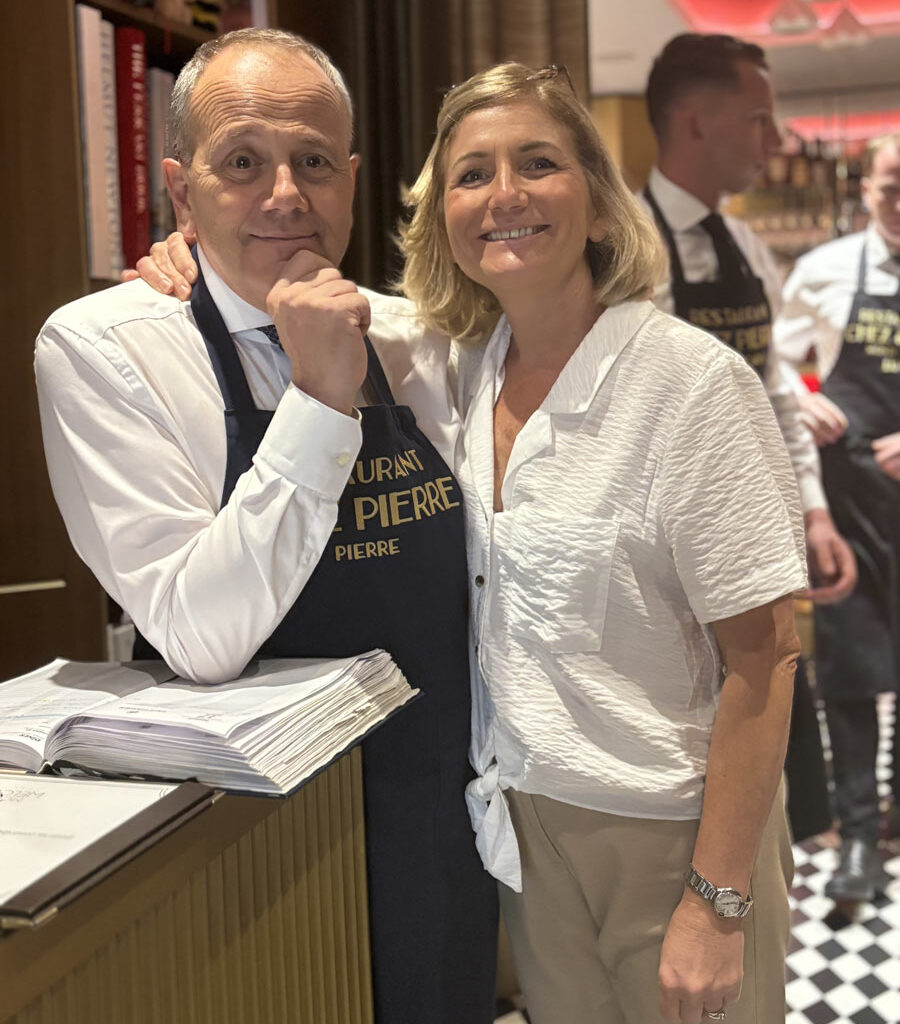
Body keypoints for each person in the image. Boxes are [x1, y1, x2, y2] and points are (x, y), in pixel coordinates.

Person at [34, 28, 497, 1024]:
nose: (286, 194)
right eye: (240, 162)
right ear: (179, 188)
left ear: (354, 179)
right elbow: (202, 636)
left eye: (315, 162)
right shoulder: (107, 352)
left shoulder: (418, 336)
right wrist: (321, 401)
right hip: (252, 849)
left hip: (440, 813)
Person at [396, 62, 805, 1024]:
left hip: (676, 836)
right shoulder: (461, 371)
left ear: (595, 202)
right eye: (471, 174)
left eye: (537, 162)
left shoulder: (687, 385)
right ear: (441, 217)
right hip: (526, 832)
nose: (504, 196)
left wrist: (717, 902)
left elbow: (767, 655)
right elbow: (305, 311)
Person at [642, 32, 857, 842]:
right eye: (760, 120)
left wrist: (813, 510)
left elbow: (773, 394)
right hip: (672, 562)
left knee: (768, 735)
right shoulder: (626, 245)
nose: (774, 142)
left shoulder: (751, 248)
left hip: (756, 541)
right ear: (697, 122)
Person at [772, 133, 900, 901]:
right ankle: (856, 839)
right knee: (849, 679)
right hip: (848, 510)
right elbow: (773, 363)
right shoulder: (822, 272)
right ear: (866, 189)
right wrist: (802, 396)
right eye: (892, 188)